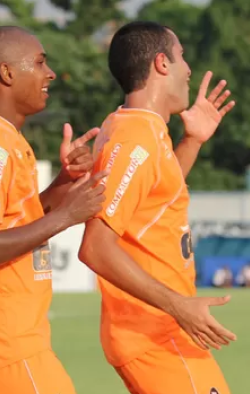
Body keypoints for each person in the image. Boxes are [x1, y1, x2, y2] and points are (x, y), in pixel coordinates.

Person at [0, 26, 105, 394]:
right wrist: (65, 217)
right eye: (40, 62)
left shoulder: (3, 138)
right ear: (7, 73)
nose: (49, 73)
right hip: (5, 342)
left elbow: (20, 218)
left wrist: (66, 180)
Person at [79, 21, 237, 394]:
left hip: (160, 330)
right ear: (162, 63)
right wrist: (179, 306)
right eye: (182, 56)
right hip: (155, 332)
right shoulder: (136, 137)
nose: (189, 70)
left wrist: (193, 140)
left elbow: (156, 195)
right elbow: (95, 247)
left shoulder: (140, 128)